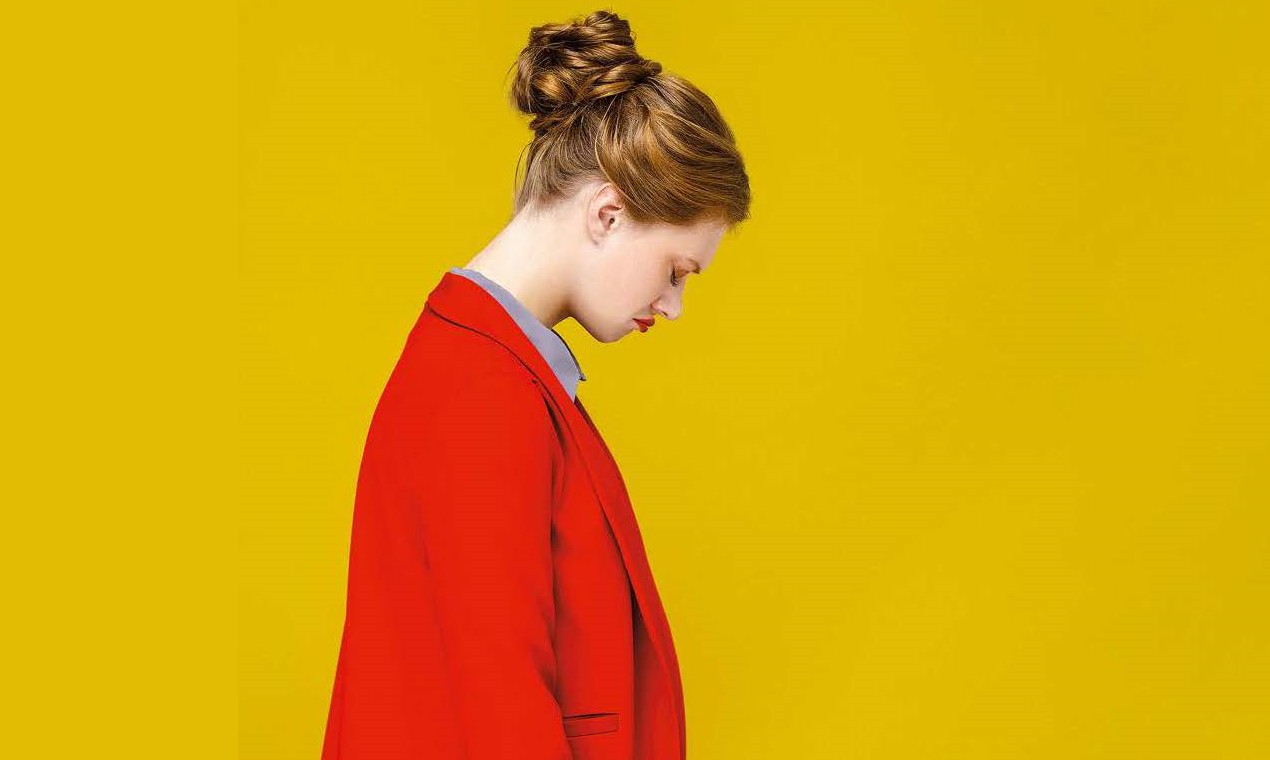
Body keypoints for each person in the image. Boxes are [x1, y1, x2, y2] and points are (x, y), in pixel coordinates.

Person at [320, 9, 750, 760]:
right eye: (676, 270)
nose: (673, 305)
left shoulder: (490, 366)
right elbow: (502, 703)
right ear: (608, 213)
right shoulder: (482, 392)